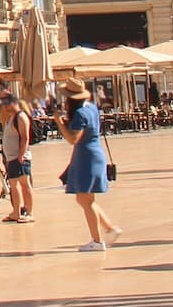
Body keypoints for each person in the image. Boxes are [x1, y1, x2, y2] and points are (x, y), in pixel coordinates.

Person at [57, 78, 122, 251]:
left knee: (86, 200)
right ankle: (109, 228)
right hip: (92, 154)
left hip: (86, 157)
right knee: (84, 198)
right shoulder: (91, 107)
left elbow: (73, 139)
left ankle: (97, 240)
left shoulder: (80, 114)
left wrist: (59, 122)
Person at [0, 95, 35, 223]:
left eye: (7, 104)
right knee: (13, 186)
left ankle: (29, 213)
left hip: (19, 158)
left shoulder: (21, 117)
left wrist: (21, 155)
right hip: (11, 158)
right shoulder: (10, 117)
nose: (5, 107)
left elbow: (25, 137)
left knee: (25, 185)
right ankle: (16, 212)